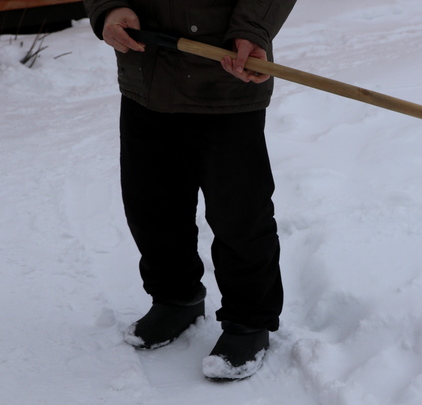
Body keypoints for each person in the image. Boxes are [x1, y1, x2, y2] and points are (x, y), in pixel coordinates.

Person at [83, 0, 296, 381]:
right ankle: (176, 298)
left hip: (227, 77)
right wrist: (110, 8)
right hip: (147, 75)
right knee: (151, 205)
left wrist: (252, 30)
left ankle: (249, 321)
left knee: (239, 214)